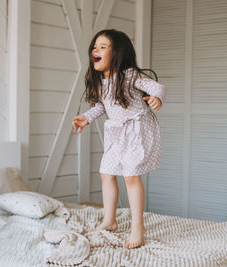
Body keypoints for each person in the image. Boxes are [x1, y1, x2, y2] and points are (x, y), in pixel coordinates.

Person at [72, 29, 166, 249]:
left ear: (118, 53)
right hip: (116, 133)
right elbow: (101, 106)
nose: (96, 50)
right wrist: (86, 117)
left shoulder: (130, 74)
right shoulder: (100, 80)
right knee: (106, 173)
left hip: (137, 130)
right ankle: (110, 220)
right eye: (95, 47)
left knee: (131, 177)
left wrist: (156, 99)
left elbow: (157, 87)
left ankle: (137, 227)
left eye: (103, 47)